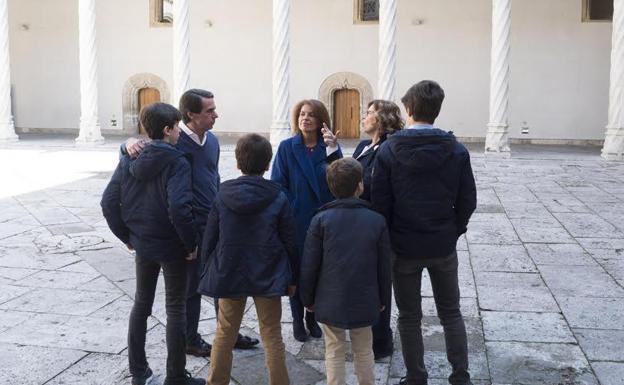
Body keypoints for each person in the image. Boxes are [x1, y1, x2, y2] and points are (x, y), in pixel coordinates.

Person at [125, 89, 259, 357]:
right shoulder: (174, 143)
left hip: (216, 221)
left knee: (224, 280)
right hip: (189, 227)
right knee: (191, 289)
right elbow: (147, 149)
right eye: (209, 111)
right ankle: (190, 338)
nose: (215, 114)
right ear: (191, 115)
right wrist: (127, 143)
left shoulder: (213, 141)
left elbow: (214, 177)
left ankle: (228, 333)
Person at [371, 80, 477, 385]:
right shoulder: (455, 150)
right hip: (442, 244)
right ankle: (460, 376)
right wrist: (453, 230)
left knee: (409, 316)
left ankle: (416, 376)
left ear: (408, 109)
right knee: (450, 312)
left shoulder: (390, 150)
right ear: (437, 110)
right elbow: (467, 199)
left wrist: (392, 236)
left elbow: (381, 202)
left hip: (403, 247)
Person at [101, 103, 205, 385]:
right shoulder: (177, 162)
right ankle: (175, 376)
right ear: (168, 129)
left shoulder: (129, 158)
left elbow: (109, 202)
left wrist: (128, 237)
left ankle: (138, 372)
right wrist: (190, 243)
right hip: (172, 247)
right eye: (176, 128)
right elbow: (179, 208)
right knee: (176, 308)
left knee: (141, 305)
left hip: (144, 244)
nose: (178, 134)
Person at [199, 134, 297, 385]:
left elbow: (210, 236)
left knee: (225, 332)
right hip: (268, 271)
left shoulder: (222, 194)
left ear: (238, 161)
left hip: (230, 269)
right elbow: (290, 240)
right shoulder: (278, 196)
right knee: (272, 334)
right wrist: (294, 276)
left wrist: (207, 267)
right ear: (267, 164)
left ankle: (216, 382)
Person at [300, 158, 392, 385]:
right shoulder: (376, 220)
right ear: (360, 185)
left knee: (333, 349)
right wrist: (383, 298)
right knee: (364, 348)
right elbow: (384, 267)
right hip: (365, 297)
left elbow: (309, 265)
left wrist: (307, 298)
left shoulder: (320, 220)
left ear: (331, 187)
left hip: (330, 297)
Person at [271, 99, 342, 342]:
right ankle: (297, 319)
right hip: (297, 220)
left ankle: (312, 317)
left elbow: (341, 180)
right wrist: (293, 207)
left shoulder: (329, 147)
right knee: (297, 270)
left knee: (318, 270)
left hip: (323, 219)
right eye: (302, 114)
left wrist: (334, 150)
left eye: (311, 115)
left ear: (321, 120)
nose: (305, 118)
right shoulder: (287, 147)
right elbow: (278, 184)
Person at [352, 99, 403, 359]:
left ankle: (381, 342)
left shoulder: (390, 148)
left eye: (369, 113)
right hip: (358, 223)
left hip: (377, 225)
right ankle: (364, 334)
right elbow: (349, 176)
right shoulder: (363, 146)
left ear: (382, 119)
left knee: (379, 285)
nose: (364, 116)